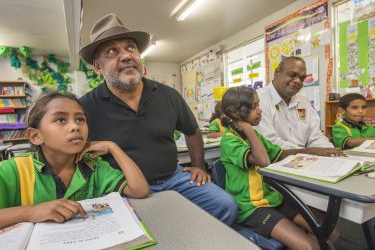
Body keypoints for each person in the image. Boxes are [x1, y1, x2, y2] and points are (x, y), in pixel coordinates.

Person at [79, 13, 238, 225]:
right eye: (112, 51)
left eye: (130, 47)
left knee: (226, 206)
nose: (126, 55)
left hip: (174, 177)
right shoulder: (86, 107)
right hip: (124, 188)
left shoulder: (168, 95)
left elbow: (192, 131)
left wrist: (199, 167)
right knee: (146, 229)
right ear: (98, 68)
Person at [0, 92, 149, 237]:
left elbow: (139, 190)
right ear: (36, 136)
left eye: (80, 119)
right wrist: (29, 212)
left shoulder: (93, 166)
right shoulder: (14, 170)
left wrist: (113, 147)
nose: (75, 126)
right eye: (60, 120)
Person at [220, 86, 339, 249]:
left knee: (330, 233)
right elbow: (263, 160)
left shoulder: (255, 136)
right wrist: (247, 128)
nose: (260, 111)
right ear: (235, 112)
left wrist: (314, 151)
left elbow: (280, 154)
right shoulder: (229, 140)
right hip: (251, 207)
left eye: (258, 105)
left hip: (274, 198)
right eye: (254, 106)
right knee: (309, 246)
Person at [255, 56, 340, 155]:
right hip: (275, 163)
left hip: (304, 160)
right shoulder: (258, 100)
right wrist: (309, 152)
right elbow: (269, 143)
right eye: (292, 75)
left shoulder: (303, 102)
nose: (298, 81)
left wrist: (330, 151)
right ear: (277, 73)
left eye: (302, 78)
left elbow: (315, 136)